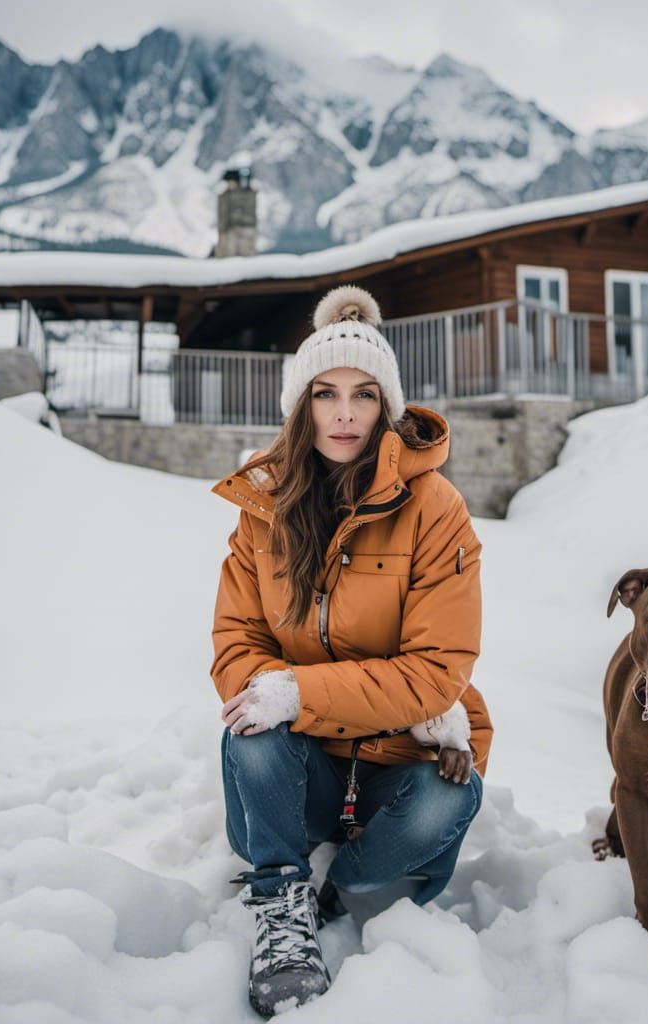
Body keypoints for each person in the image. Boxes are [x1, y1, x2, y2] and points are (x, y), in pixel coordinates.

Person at [209, 285, 493, 1018]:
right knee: (250, 726)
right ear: (299, 407)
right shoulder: (264, 510)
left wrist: (301, 692)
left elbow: (437, 671)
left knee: (450, 797)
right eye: (325, 394)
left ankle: (342, 887)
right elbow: (237, 642)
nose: (343, 414)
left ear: (386, 408)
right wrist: (275, 698)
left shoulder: (435, 509)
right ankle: (282, 902)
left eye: (363, 396)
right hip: (299, 766)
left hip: (402, 757)